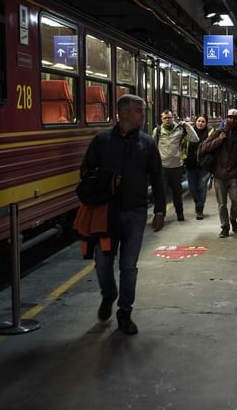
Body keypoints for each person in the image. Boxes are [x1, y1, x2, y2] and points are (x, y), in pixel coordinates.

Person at [79, 94, 166, 335]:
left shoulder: (147, 143)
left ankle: (124, 312)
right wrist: (106, 180)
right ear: (124, 113)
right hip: (106, 212)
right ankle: (109, 293)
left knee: (129, 265)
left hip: (136, 212)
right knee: (102, 263)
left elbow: (157, 177)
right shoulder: (102, 140)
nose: (143, 115)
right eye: (139, 111)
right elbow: (85, 171)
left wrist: (160, 210)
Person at [200, 108, 237, 237]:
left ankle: (233, 218)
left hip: (234, 175)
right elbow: (204, 147)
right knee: (221, 204)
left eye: (235, 118)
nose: (232, 120)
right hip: (219, 174)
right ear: (227, 118)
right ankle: (225, 226)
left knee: (236, 201)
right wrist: (219, 140)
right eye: (230, 117)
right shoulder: (218, 132)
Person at [152, 109, 198, 221]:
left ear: (173, 118)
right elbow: (153, 146)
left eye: (170, 117)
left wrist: (187, 126)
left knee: (177, 193)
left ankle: (180, 214)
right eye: (165, 118)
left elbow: (195, 139)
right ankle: (161, 215)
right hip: (163, 167)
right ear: (161, 119)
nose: (168, 120)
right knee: (161, 192)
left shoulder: (180, 129)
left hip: (176, 167)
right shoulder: (157, 131)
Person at [184, 114, 213, 219]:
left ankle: (200, 208)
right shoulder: (189, 132)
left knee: (202, 187)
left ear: (206, 123)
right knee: (192, 188)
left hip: (204, 166)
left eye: (203, 121)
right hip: (190, 165)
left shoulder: (210, 133)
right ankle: (198, 201)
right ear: (195, 122)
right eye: (199, 121)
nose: (200, 123)